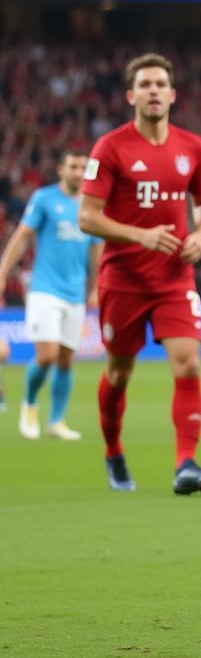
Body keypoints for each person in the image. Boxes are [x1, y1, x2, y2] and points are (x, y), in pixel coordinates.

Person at [79, 53, 201, 496]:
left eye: (161, 83)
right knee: (119, 373)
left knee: (189, 361)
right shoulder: (110, 148)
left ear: (173, 94)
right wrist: (139, 237)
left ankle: (186, 464)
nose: (154, 90)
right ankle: (113, 451)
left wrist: (199, 235)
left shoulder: (191, 147)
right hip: (122, 279)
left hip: (174, 278)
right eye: (145, 84)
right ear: (131, 95)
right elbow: (87, 216)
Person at [0, 150, 99, 441]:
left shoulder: (91, 206)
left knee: (66, 360)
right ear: (61, 169)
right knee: (47, 356)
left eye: (83, 167)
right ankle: (29, 404)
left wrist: (94, 289)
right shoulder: (44, 199)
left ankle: (56, 421)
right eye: (73, 166)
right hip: (45, 290)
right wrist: (3, 272)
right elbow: (22, 237)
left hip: (75, 294)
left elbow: (96, 255)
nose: (78, 172)